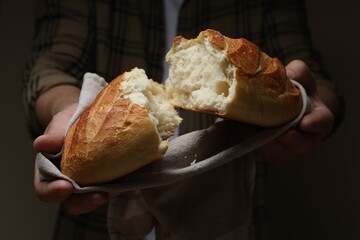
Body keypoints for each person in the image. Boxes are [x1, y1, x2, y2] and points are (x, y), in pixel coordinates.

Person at [23, 0, 343, 239]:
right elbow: (49, 67)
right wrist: (68, 110)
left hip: (226, 220)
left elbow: (312, 79)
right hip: (96, 222)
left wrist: (309, 107)